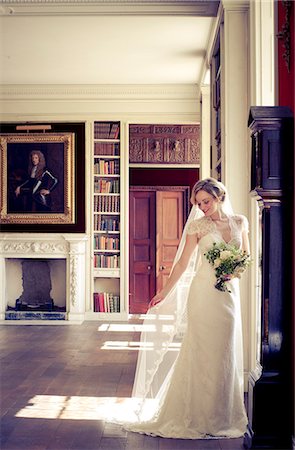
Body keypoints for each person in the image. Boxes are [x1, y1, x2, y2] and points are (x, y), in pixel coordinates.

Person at [122, 177, 250, 439]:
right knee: (202, 351)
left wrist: (233, 273)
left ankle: (222, 415)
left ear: (219, 196)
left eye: (206, 201)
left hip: (228, 295)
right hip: (203, 294)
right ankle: (197, 415)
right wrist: (163, 292)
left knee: (224, 352)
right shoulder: (197, 226)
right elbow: (182, 264)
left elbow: (245, 258)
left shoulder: (240, 222)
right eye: (198, 203)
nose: (202, 207)